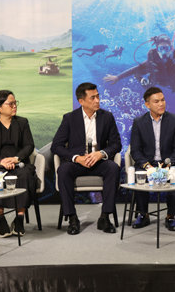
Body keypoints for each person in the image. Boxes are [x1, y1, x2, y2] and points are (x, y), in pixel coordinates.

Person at [51, 82, 123, 235]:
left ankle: (105, 217)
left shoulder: (107, 117)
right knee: (63, 170)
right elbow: (56, 146)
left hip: (99, 162)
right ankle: (72, 218)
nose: (97, 100)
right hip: (78, 163)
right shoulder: (70, 118)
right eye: (92, 98)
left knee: (113, 168)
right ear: (81, 101)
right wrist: (77, 158)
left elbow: (116, 144)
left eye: (98, 96)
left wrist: (101, 153)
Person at [0, 90, 37, 237]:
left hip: (18, 164)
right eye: (10, 104)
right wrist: (0, 161)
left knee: (25, 176)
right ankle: (1, 219)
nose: (14, 106)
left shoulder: (22, 122)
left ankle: (19, 219)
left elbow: (29, 145)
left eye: (15, 103)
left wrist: (17, 158)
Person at [130, 87, 175, 231]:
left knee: (174, 174)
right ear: (147, 104)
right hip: (147, 163)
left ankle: (170, 216)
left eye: (163, 100)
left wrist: (168, 164)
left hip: (169, 162)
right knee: (139, 175)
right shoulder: (138, 122)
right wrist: (147, 166)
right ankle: (143, 215)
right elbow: (135, 150)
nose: (161, 104)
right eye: (156, 101)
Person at [104, 33, 175, 93]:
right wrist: (118, 77)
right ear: (157, 50)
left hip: (173, 82)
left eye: (166, 48)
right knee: (147, 86)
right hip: (156, 80)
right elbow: (135, 69)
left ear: (171, 49)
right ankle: (138, 76)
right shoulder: (152, 61)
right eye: (161, 49)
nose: (164, 52)